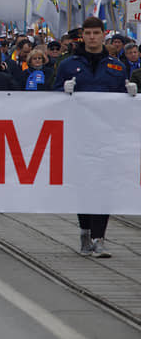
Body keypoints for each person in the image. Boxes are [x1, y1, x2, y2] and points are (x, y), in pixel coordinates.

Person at [54, 17, 132, 258]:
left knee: (104, 186)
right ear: (83, 36)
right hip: (78, 134)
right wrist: (62, 90)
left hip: (107, 135)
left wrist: (131, 95)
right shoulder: (68, 65)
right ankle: (85, 232)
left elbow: (121, 102)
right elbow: (53, 95)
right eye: (87, 33)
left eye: (96, 33)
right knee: (84, 185)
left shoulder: (116, 67)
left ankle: (99, 238)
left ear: (103, 34)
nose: (92, 37)